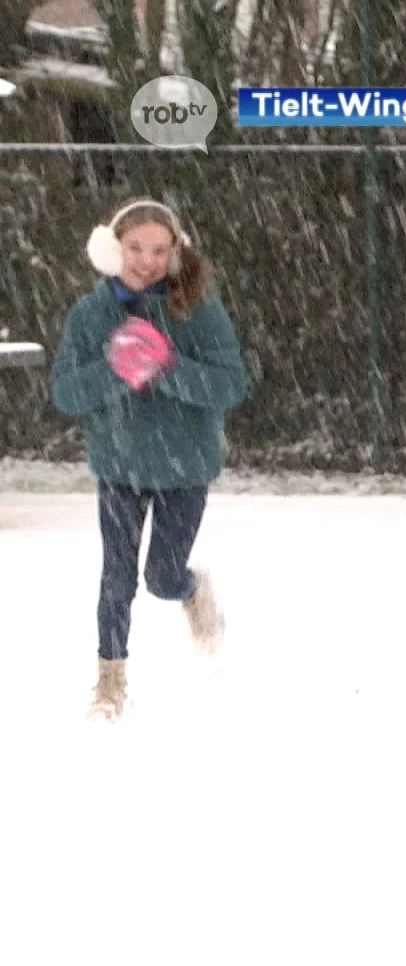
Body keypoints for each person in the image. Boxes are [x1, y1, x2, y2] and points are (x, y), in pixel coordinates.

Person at [50, 197, 252, 719]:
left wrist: (167, 364)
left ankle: (189, 587)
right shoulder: (89, 315)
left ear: (176, 253)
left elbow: (232, 385)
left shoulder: (199, 310)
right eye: (136, 248)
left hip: (186, 468)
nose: (147, 260)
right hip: (119, 467)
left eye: (160, 250)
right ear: (112, 248)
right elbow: (66, 395)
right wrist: (114, 368)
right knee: (117, 575)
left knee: (161, 577)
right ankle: (109, 683)